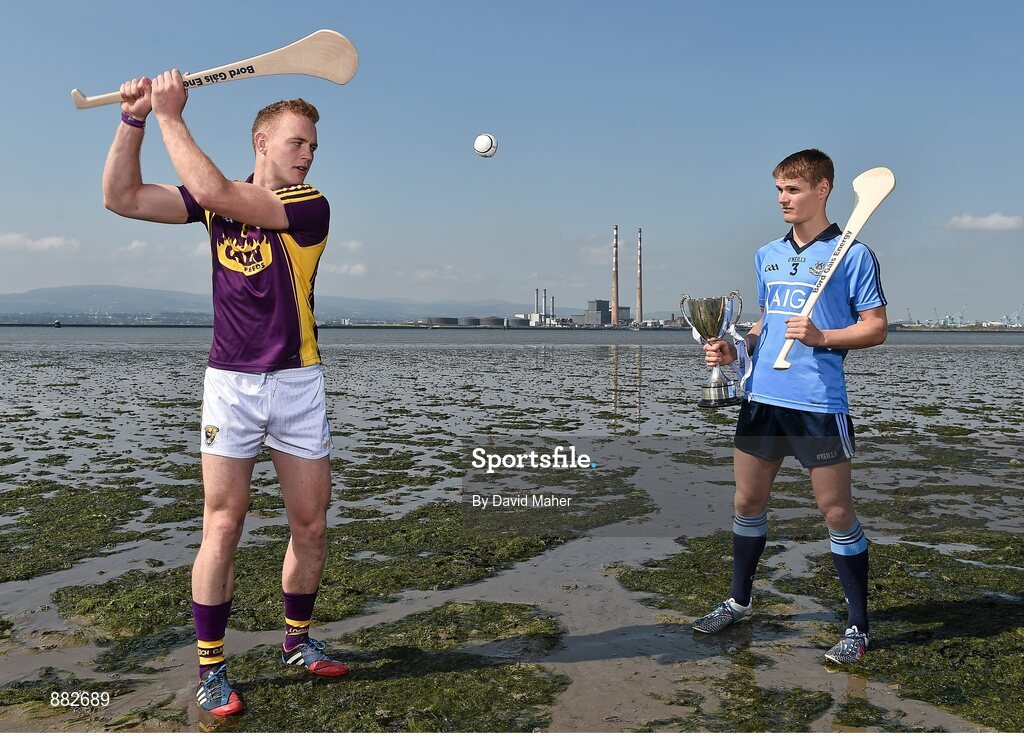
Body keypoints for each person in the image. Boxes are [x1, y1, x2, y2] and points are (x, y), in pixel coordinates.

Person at [102, 70, 348, 717]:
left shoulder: (310, 204)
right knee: (223, 522)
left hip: (297, 384)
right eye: (298, 143)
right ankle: (213, 669)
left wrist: (169, 114)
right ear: (262, 141)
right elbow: (121, 198)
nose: (308, 154)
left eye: (313, 146)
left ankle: (295, 641)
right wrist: (133, 119)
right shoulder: (215, 200)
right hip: (231, 387)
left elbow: (212, 188)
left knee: (312, 525)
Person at [692, 149, 887, 666]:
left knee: (836, 513)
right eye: (779, 189)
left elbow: (875, 327)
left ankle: (857, 627)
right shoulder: (767, 255)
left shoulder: (855, 255)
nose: (783, 199)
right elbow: (767, 322)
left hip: (817, 405)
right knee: (746, 503)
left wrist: (825, 336)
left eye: (793, 189)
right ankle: (739, 600)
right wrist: (736, 349)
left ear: (823, 189)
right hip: (762, 400)